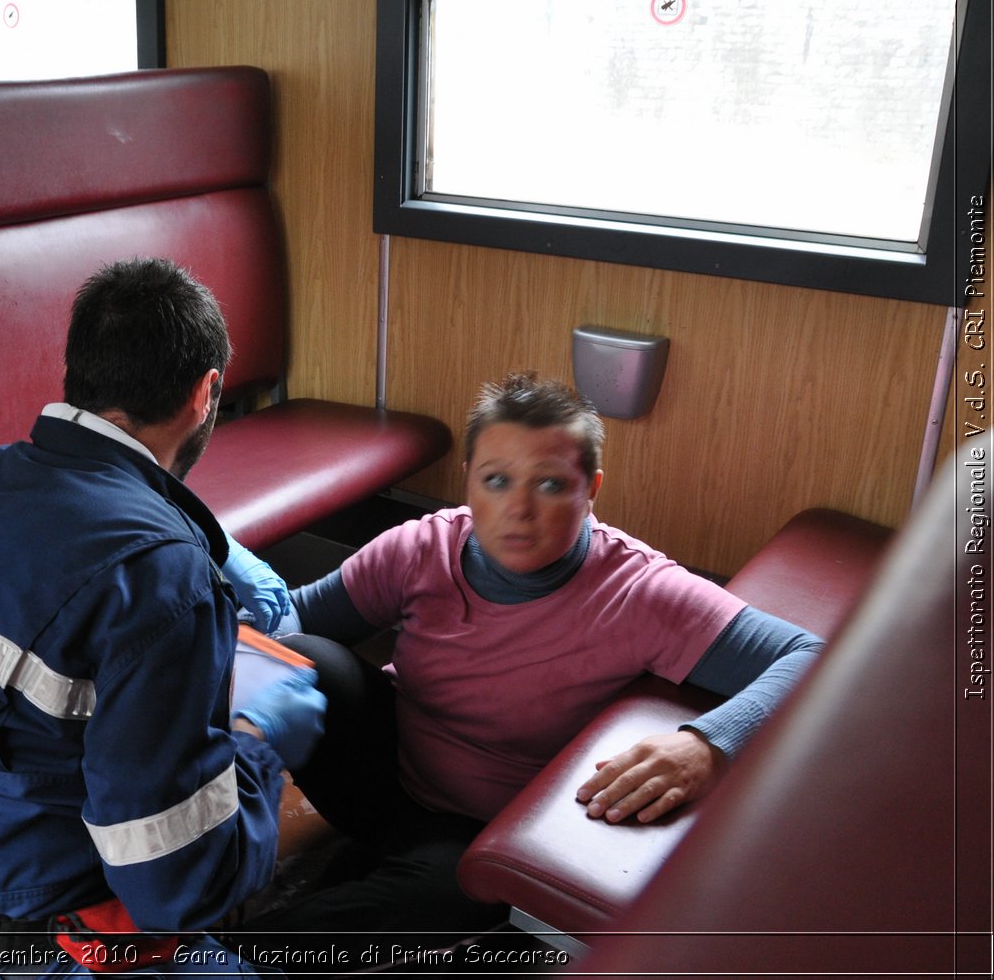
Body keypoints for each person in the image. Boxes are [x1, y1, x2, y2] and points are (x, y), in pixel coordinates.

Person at [0, 256, 325, 978]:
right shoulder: (164, 577)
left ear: (76, 373)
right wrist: (259, 743)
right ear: (206, 394)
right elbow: (177, 884)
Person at [241, 372, 825, 955]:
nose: (518, 509)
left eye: (549, 484)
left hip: (484, 832)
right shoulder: (422, 547)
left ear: (590, 488)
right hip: (381, 776)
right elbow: (294, 622)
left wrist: (708, 745)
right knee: (304, 660)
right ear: (468, 480)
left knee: (445, 895)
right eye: (496, 480)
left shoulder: (641, 592)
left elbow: (813, 658)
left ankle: (224, 958)